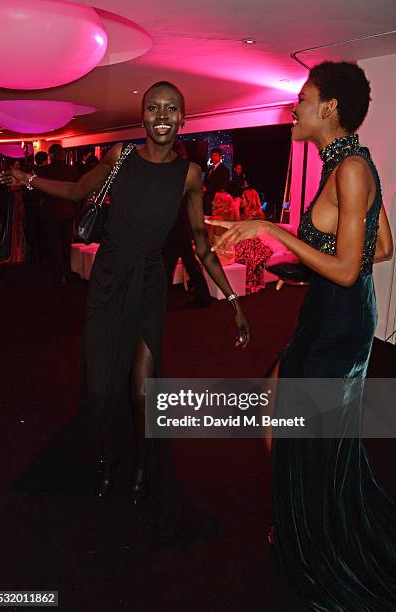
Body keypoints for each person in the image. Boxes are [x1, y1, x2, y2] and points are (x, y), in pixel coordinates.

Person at [0, 81, 250, 543]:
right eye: (153, 107)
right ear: (142, 115)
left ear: (182, 117)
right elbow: (77, 191)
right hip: (110, 281)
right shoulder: (119, 157)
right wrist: (28, 179)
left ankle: (141, 468)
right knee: (100, 390)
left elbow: (201, 246)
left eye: (171, 108)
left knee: (141, 390)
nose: (161, 115)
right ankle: (107, 458)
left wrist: (233, 302)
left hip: (150, 286)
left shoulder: (190, 175)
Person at [206, 61, 396, 610]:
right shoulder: (344, 164)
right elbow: (379, 248)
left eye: (304, 95)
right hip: (327, 312)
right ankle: (299, 522)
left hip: (339, 323)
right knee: (278, 410)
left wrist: (272, 229)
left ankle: (314, 540)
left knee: (296, 423)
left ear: (329, 108)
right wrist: (294, 264)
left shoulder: (353, 169)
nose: (296, 104)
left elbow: (350, 267)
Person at [162, 141, 211, 307]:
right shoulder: (189, 171)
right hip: (183, 227)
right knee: (190, 265)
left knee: (167, 267)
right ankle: (204, 298)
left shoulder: (174, 174)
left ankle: (159, 303)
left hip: (176, 228)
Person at [37, 144, 79, 287]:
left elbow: (39, 191)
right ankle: (68, 272)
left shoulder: (45, 171)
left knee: (54, 245)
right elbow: (78, 193)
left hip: (50, 213)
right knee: (66, 245)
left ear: (52, 155)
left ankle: (59, 275)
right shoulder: (72, 170)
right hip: (68, 212)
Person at [234, 189, 273, 293]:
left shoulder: (255, 214)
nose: (241, 200)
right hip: (245, 241)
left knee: (246, 256)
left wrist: (236, 208)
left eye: (243, 198)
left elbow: (240, 227)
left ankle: (248, 283)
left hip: (252, 243)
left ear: (249, 200)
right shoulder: (246, 213)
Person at [203, 147, 230, 215]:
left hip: (215, 200)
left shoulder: (224, 169)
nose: (213, 157)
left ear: (220, 157)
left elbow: (224, 185)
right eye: (212, 155)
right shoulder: (209, 169)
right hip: (206, 198)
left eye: (215, 155)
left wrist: (207, 189)